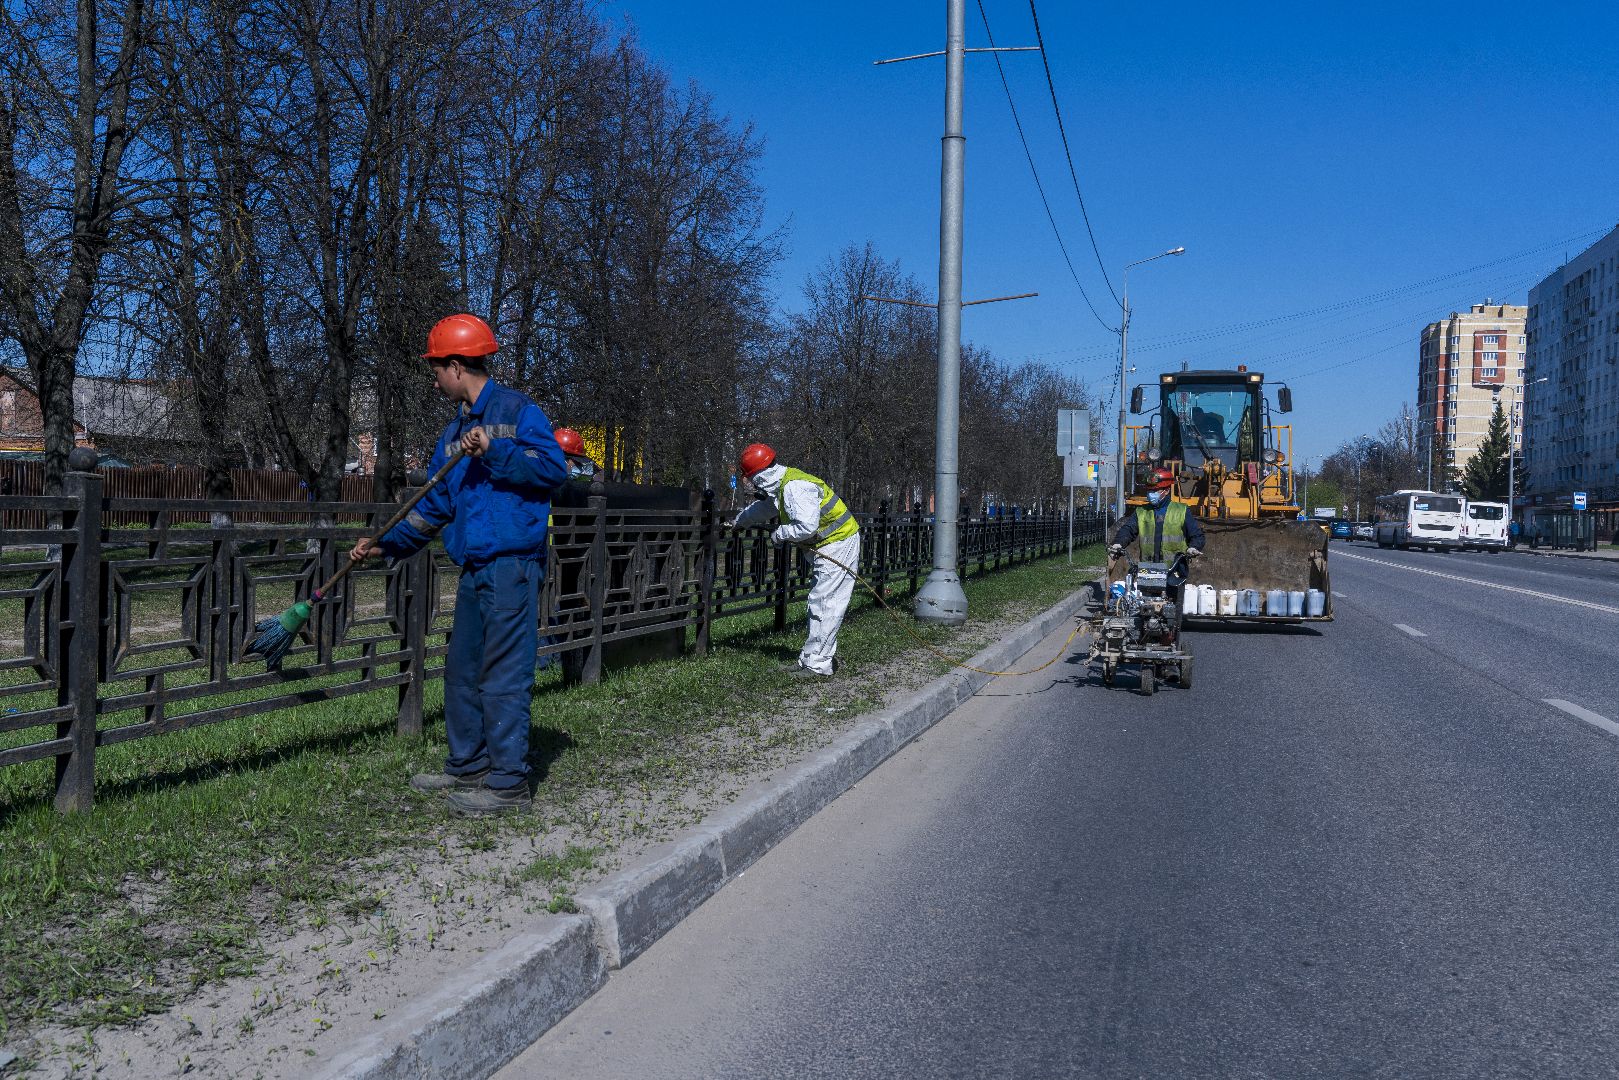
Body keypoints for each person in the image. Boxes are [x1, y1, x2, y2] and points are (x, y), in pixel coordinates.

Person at [350, 313, 567, 816]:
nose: (434, 381)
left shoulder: (518, 411)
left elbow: (553, 469)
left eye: (436, 370)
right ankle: (468, 764)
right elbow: (434, 508)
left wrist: (495, 449)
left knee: (504, 674)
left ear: (456, 366)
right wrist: (386, 545)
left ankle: (509, 784)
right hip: (474, 568)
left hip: (512, 565)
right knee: (462, 670)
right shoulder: (452, 434)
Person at [729, 443, 860, 678]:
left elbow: (806, 527)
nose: (750, 484)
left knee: (825, 602)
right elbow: (763, 508)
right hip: (831, 543)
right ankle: (810, 659)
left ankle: (817, 665)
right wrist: (740, 521)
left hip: (839, 543)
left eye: (751, 478)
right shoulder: (783, 485)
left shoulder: (794, 487)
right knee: (820, 601)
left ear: (761, 475)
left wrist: (780, 534)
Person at [1109, 467, 1206, 593]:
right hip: (1148, 570)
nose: (1151, 494)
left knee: (1172, 602)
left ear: (1166, 490)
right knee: (1147, 602)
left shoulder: (1181, 510)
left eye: (1155, 490)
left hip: (1173, 570)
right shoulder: (1141, 511)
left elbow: (1197, 535)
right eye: (1149, 490)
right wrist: (1118, 543)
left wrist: (1194, 547)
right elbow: (1128, 529)